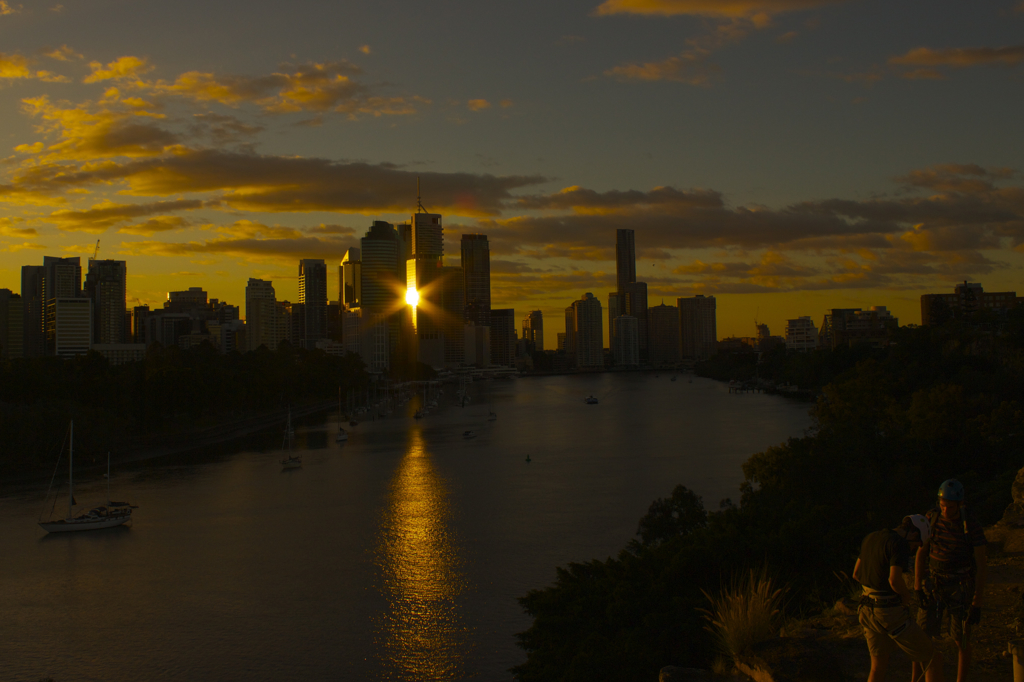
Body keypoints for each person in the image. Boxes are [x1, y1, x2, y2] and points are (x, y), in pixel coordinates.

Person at [854, 514, 944, 682]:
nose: (912, 551)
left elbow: (856, 574)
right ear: (914, 534)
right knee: (932, 658)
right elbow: (894, 579)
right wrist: (906, 597)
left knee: (877, 666)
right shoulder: (899, 543)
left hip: (865, 608)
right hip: (888, 611)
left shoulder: (871, 537)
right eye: (916, 546)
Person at [914, 479, 987, 682]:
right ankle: (916, 679)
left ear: (960, 504)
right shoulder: (933, 517)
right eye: (942, 506)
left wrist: (977, 604)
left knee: (961, 639)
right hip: (934, 583)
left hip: (960, 586)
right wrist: (917, 586)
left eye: (950, 507)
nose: (945, 511)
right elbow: (922, 552)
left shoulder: (970, 525)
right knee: (921, 636)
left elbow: (981, 565)